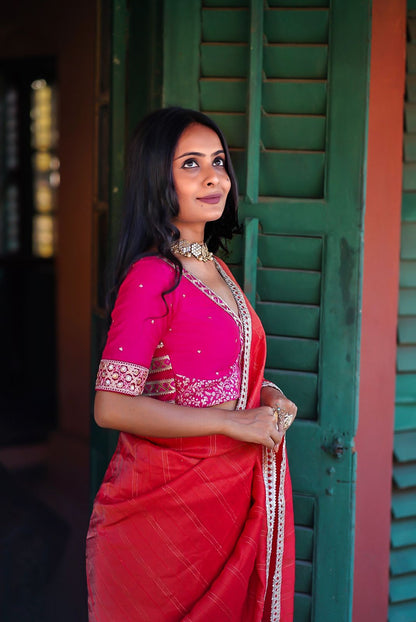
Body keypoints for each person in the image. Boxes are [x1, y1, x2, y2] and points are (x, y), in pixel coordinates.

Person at [86, 107, 297, 622]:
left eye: (219, 161)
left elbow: (226, 369)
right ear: (158, 178)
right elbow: (111, 406)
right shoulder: (153, 276)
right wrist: (233, 421)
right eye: (191, 164)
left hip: (226, 501)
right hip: (166, 520)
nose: (214, 177)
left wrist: (267, 397)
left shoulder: (214, 267)